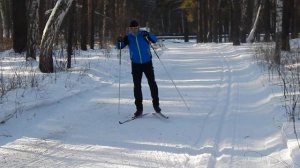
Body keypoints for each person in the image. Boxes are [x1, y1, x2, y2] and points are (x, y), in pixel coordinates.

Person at [116, 20, 161, 117]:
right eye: (132, 28)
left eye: (135, 28)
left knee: (152, 83)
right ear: (129, 28)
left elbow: (155, 39)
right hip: (136, 64)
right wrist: (119, 41)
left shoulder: (143, 35)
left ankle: (156, 105)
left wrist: (148, 34)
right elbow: (119, 46)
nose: (134, 30)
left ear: (138, 27)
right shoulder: (128, 37)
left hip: (147, 62)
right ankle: (139, 109)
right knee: (137, 86)